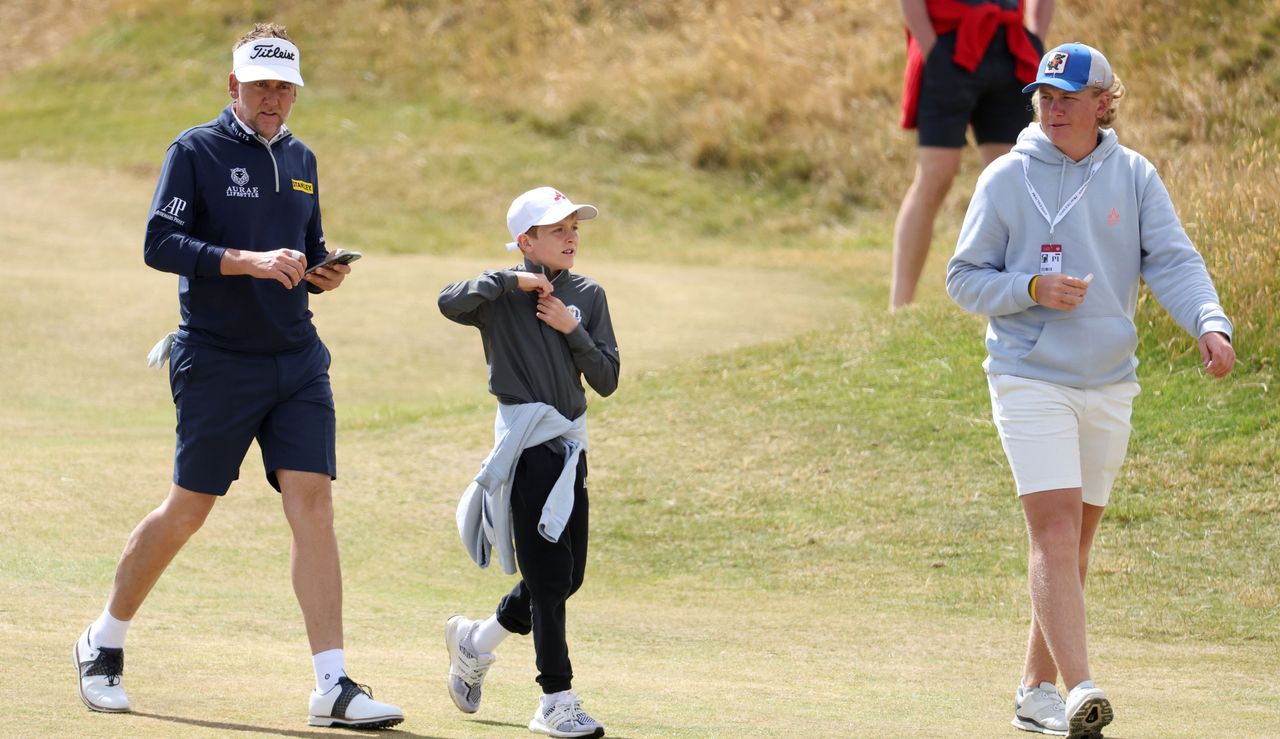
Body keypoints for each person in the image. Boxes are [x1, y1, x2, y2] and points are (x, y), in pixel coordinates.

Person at [73, 24, 403, 730]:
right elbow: (160, 244)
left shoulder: (304, 157)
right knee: (187, 509)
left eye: (285, 87)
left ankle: (332, 684)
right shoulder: (194, 150)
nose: (273, 99)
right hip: (218, 359)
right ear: (234, 86)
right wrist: (248, 260)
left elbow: (304, 254)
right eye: (261, 86)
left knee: (313, 505)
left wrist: (321, 273)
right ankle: (102, 641)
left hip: (296, 360)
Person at [946, 42, 1236, 738]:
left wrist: (1209, 321)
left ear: (1105, 102)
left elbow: (1171, 259)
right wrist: (1029, 288)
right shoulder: (1006, 177)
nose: (1053, 108)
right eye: (1045, 96)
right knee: (1051, 530)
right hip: (1028, 375)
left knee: (1075, 544)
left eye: (1068, 97)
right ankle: (1082, 689)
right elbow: (963, 278)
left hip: (1109, 381)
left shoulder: (1134, 175)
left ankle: (1034, 690)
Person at [438, 186, 619, 739]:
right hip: (525, 447)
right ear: (526, 241)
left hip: (568, 448)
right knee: (546, 581)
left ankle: (477, 642)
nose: (571, 237)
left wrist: (573, 329)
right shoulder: (500, 295)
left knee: (568, 577)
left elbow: (607, 379)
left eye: (574, 227)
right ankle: (555, 699)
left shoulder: (588, 293)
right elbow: (449, 301)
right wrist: (506, 280)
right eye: (557, 228)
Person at [892, 0, 1054, 309]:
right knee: (936, 174)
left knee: (1012, 178)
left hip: (1010, 43)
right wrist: (931, 50)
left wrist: (1035, 36)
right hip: (947, 39)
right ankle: (899, 307)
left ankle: (1009, 297)